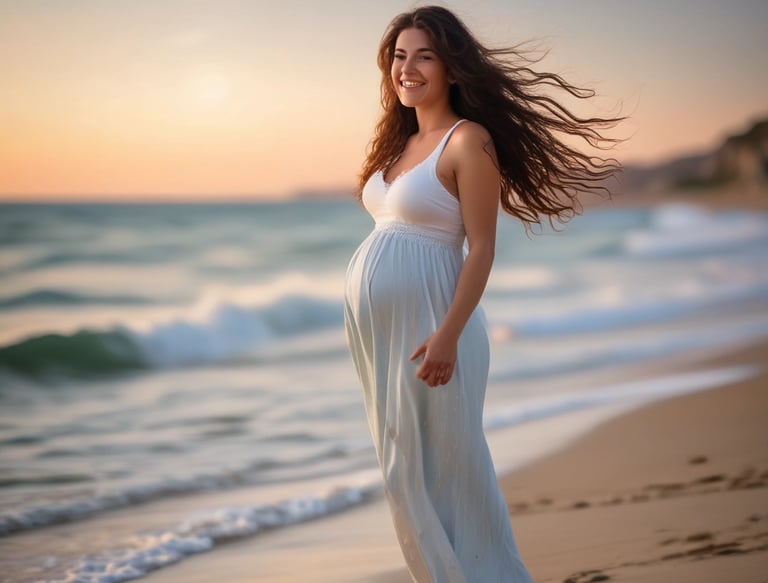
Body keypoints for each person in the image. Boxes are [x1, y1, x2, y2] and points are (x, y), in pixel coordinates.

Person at [344, 6, 621, 582]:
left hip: (437, 328)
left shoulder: (468, 140)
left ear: (451, 67)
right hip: (387, 337)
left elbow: (483, 247)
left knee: (453, 473)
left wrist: (446, 335)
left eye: (424, 55)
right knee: (404, 474)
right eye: (399, 56)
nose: (408, 68)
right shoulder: (399, 144)